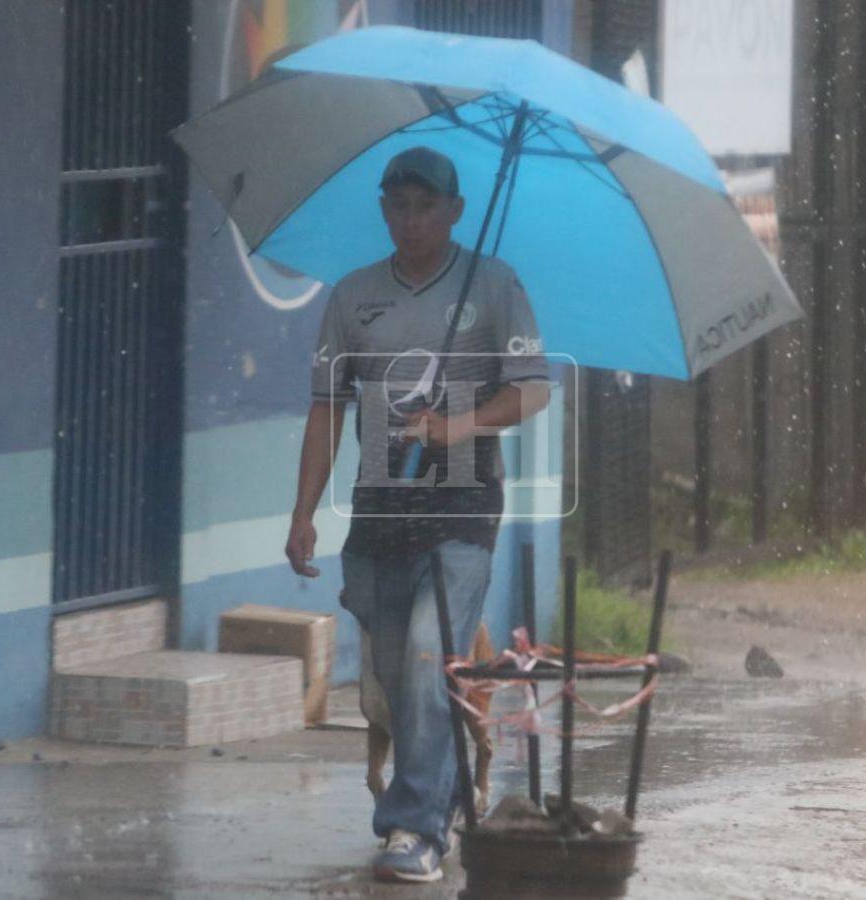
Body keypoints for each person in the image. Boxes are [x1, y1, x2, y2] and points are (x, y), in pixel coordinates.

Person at [284, 145, 550, 883]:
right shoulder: (352, 297)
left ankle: (415, 828)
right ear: (383, 210)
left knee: (433, 659)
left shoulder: (495, 287)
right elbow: (326, 409)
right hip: (378, 515)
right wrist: (304, 510)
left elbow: (533, 390)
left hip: (464, 513)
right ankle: (443, 793)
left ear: (455, 211)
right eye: (398, 205)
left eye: (426, 205)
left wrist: (455, 424)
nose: (411, 219)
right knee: (403, 683)